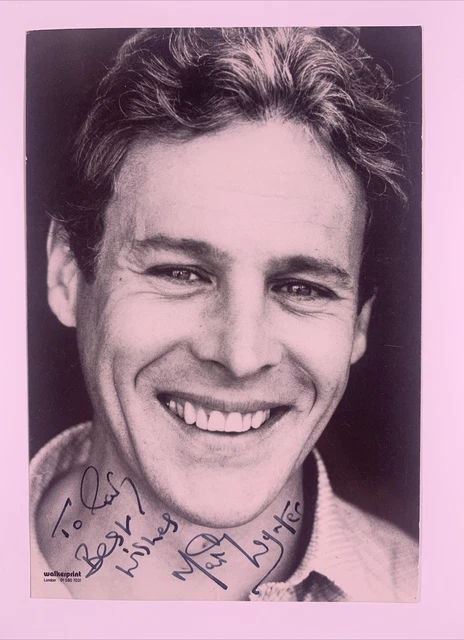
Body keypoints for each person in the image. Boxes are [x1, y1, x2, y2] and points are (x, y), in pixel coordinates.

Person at [30, 26, 419, 602]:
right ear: (67, 271)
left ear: (360, 322)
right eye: (180, 273)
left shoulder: (423, 596)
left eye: (301, 288)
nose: (240, 355)